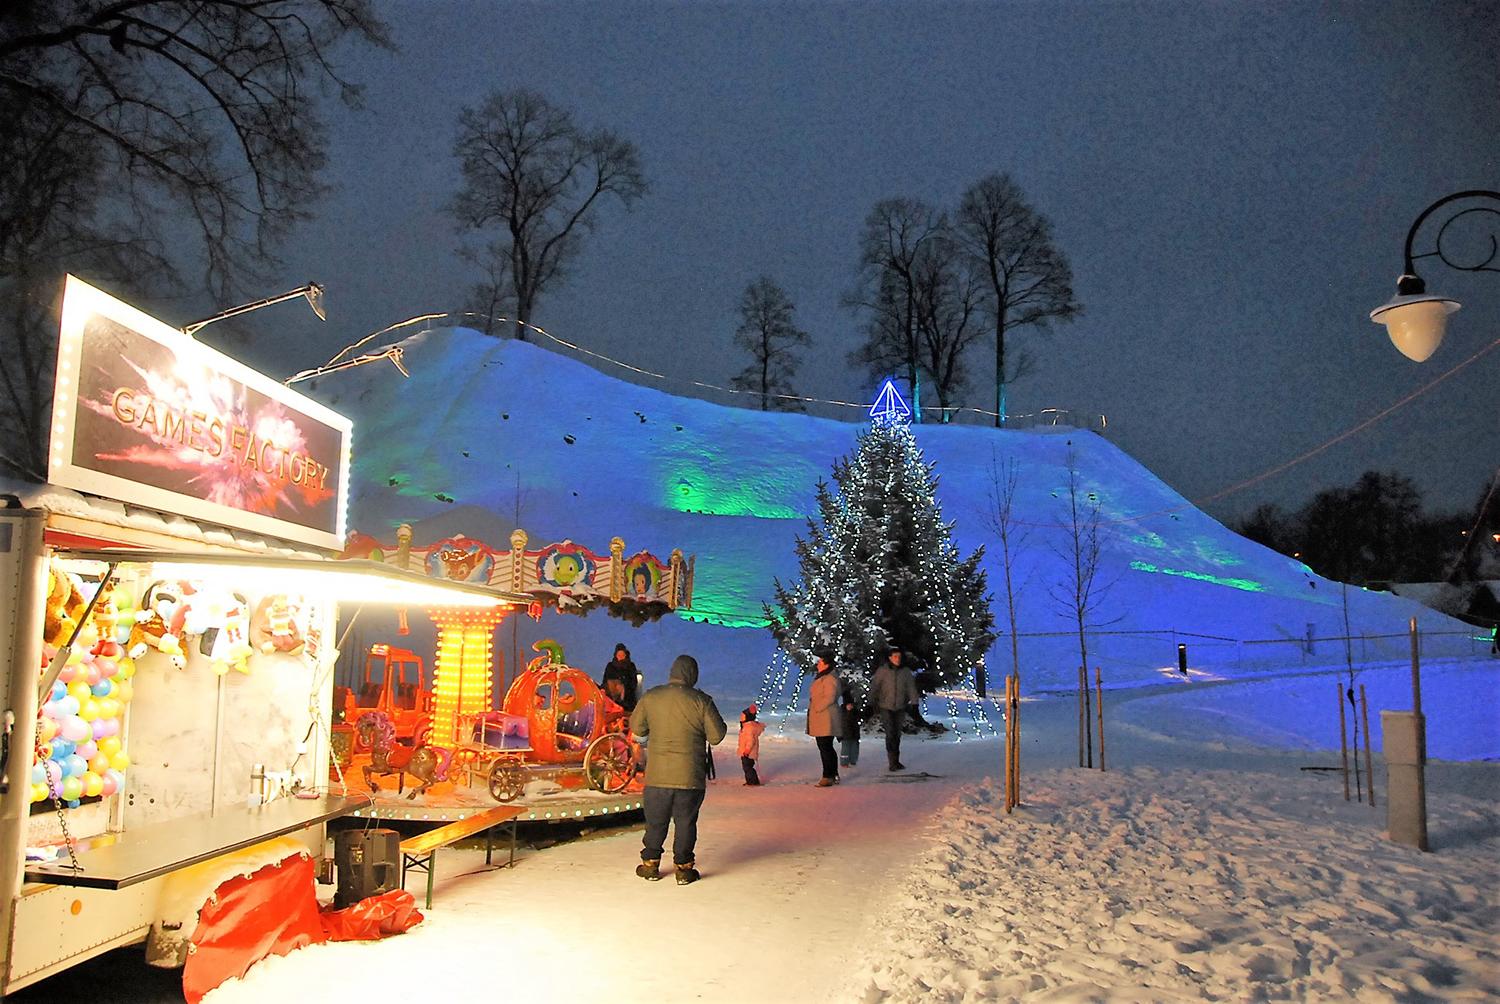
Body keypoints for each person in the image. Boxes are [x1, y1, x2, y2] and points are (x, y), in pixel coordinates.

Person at [629, 654, 727, 885]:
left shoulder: (652, 697)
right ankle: (683, 868)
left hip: (657, 776)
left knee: (655, 821)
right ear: (693, 675)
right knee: (685, 822)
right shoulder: (701, 700)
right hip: (689, 777)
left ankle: (650, 864)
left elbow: (637, 730)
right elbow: (717, 736)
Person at [872, 646, 919, 772]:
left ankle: (896, 760)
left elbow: (911, 688)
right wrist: (872, 702)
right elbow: (875, 686)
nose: (897, 659)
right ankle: (892, 761)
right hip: (885, 706)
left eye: (899, 657)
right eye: (895, 657)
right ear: (890, 658)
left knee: (897, 734)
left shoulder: (905, 672)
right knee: (890, 733)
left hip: (900, 706)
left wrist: (914, 703)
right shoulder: (883, 671)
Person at [806, 647, 843, 787]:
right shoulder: (823, 677)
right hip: (821, 717)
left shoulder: (829, 678)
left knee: (825, 747)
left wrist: (817, 706)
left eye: (820, 662)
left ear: (826, 663)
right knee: (825, 747)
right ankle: (832, 774)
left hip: (826, 717)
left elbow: (830, 697)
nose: (818, 664)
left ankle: (828, 775)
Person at [601, 643, 639, 711]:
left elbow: (634, 683)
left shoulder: (631, 666)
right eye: (619, 655)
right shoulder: (610, 666)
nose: (621, 657)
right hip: (612, 700)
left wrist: (623, 686)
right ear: (616, 655)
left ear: (625, 655)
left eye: (622, 655)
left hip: (627, 701)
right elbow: (605, 680)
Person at [737, 704, 765, 786]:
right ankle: (750, 781)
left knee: (748, 767)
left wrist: (747, 750)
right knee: (747, 767)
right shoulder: (747, 726)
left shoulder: (749, 727)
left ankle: (753, 782)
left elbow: (750, 741)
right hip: (746, 751)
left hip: (748, 752)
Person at [838, 673, 861, 768]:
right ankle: (844, 762)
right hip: (845, 734)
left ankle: (853, 760)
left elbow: (857, 720)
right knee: (846, 748)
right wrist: (839, 735)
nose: (850, 706)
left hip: (854, 733)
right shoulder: (842, 711)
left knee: (855, 747)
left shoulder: (855, 711)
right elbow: (840, 723)